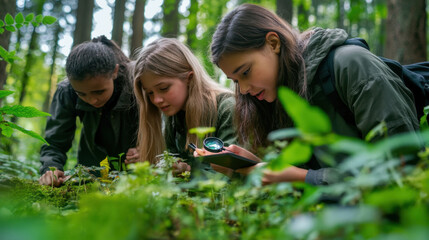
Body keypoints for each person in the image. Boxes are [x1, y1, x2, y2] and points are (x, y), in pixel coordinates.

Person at [195, 3, 419, 185]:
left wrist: (301, 178)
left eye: (245, 72)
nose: (243, 90)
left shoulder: (351, 66)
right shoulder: (276, 96)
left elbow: (400, 169)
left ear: (273, 43)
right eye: (235, 81)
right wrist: (255, 166)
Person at [39, 36, 139, 187]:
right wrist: (51, 169)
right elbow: (55, 142)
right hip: (90, 176)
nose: (92, 100)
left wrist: (147, 150)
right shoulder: (66, 91)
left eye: (99, 92)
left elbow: (162, 128)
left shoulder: (137, 83)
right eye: (81, 94)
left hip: (138, 174)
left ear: (115, 71)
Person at [133, 38, 236, 177]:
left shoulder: (228, 108)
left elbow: (234, 175)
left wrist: (188, 173)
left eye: (163, 88)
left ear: (189, 77)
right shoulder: (173, 117)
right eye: (150, 93)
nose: (156, 100)